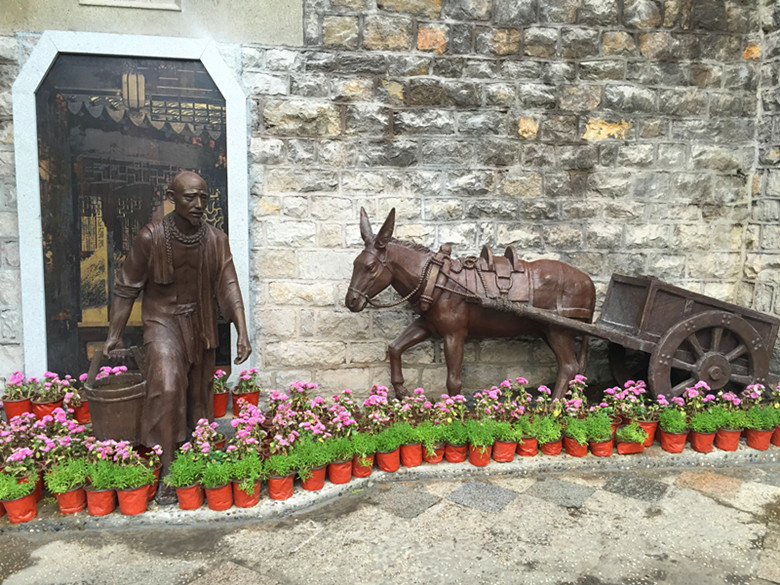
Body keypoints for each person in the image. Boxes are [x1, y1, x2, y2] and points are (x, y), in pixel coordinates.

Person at [103, 170, 251, 502]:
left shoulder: (216, 239)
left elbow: (229, 286)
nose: (198, 204)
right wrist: (114, 334)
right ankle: (168, 469)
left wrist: (242, 331)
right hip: (162, 321)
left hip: (200, 322)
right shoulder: (150, 237)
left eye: (203, 198)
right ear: (172, 198)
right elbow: (127, 287)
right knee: (168, 386)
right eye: (190, 197)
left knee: (198, 397)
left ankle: (195, 460)